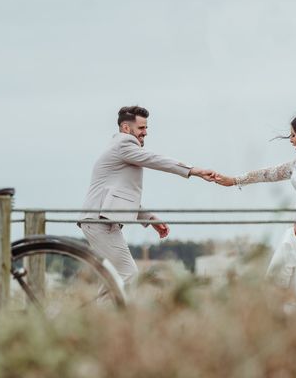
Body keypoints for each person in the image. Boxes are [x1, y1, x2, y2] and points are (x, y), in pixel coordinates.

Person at [215, 113, 296, 310]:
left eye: (293, 135)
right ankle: (292, 314)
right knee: (294, 272)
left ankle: (295, 310)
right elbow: (267, 174)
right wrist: (233, 180)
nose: (291, 140)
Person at [80, 105, 216, 288]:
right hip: (99, 222)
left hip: (100, 221)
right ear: (126, 128)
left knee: (115, 278)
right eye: (142, 128)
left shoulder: (119, 149)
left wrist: (149, 218)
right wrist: (192, 170)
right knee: (128, 274)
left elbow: (118, 198)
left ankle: (98, 315)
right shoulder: (124, 144)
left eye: (146, 127)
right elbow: (155, 160)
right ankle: (102, 315)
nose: (146, 132)